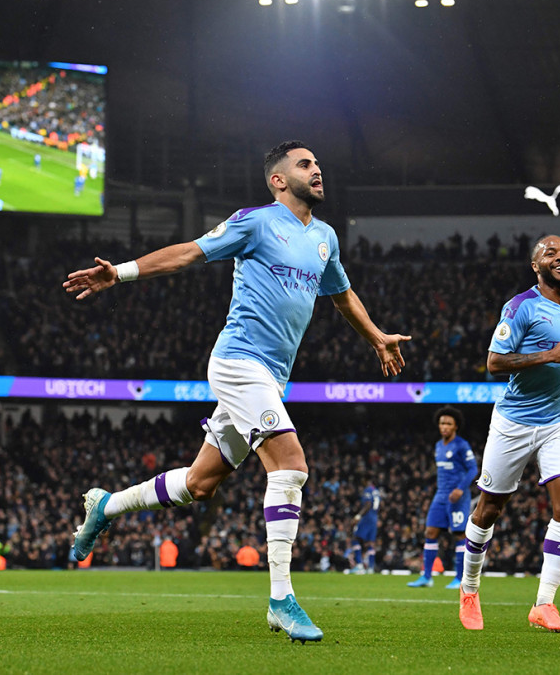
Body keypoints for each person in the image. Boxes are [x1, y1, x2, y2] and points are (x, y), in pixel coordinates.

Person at [63, 140, 411, 643]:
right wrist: (121, 271)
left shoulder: (326, 238)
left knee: (199, 485)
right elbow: (189, 253)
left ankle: (106, 506)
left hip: (272, 376)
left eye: (317, 164)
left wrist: (376, 335)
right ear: (278, 179)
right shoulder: (255, 221)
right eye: (305, 165)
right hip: (238, 362)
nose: (318, 171)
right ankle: (280, 599)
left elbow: (341, 293)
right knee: (291, 465)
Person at [458, 235, 560, 633]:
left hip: (559, 421)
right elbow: (494, 362)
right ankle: (469, 588)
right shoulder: (520, 307)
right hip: (514, 423)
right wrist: (546, 357)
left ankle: (544, 605)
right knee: (489, 510)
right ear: (537, 266)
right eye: (550, 253)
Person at [407, 405, 477, 589]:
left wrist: (461, 489)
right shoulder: (438, 446)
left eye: (448, 423)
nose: (444, 426)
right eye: (442, 423)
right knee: (430, 532)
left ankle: (459, 578)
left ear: (455, 426)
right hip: (441, 495)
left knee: (460, 534)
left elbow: (473, 469)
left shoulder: (462, 445)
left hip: (458, 496)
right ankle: (427, 577)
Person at [350, 481, 381, 574]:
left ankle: (359, 566)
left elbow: (368, 504)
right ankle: (370, 568)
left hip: (367, 517)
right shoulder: (377, 491)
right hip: (374, 518)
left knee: (355, 538)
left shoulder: (368, 490)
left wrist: (358, 516)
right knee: (370, 543)